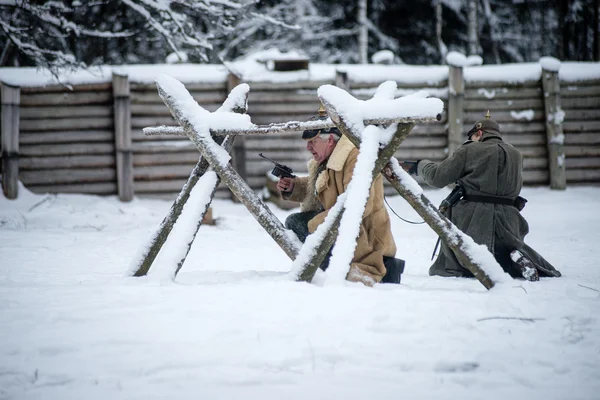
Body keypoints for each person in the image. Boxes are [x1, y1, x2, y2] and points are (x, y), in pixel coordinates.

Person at [403, 111, 561, 281]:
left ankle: (478, 266)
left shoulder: (470, 150)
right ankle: (516, 260)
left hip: (474, 219)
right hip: (509, 221)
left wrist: (420, 165)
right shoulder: (516, 154)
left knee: (456, 264)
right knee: (503, 252)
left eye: (473, 137)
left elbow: (438, 177)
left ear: (479, 133)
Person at [277, 106, 404, 286]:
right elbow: (323, 185)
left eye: (313, 141)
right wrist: (294, 186)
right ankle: (325, 271)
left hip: (368, 241)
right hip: (343, 227)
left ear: (329, 139)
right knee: (295, 222)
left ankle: (337, 272)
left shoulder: (355, 157)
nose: (308, 147)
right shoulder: (331, 157)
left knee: (299, 224)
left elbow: (359, 204)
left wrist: (315, 226)